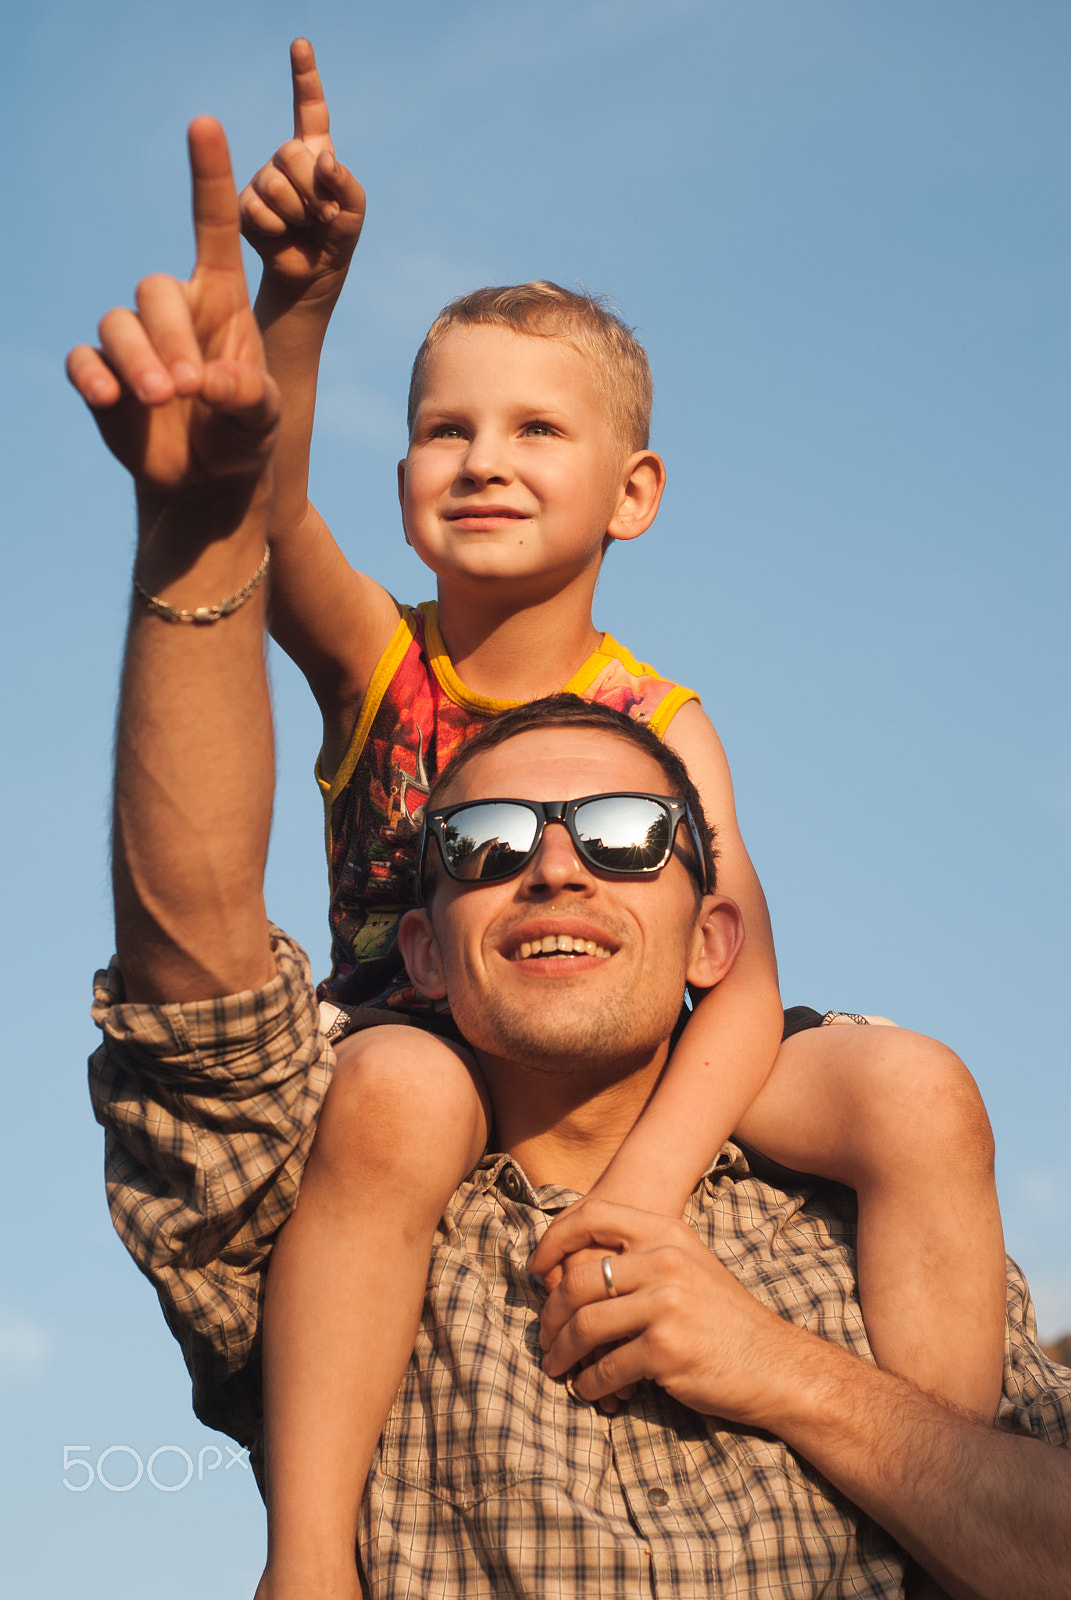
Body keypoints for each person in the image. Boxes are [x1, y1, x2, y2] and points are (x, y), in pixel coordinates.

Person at [71, 115, 1071, 1600]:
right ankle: (309, 1559)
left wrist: (644, 1195)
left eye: (539, 431)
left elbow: (742, 982)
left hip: (677, 1058)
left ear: (635, 492)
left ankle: (942, 1481)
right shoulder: (378, 658)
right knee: (400, 1097)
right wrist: (301, 308)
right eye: (444, 430)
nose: (484, 462)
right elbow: (256, 510)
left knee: (916, 1086)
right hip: (405, 1035)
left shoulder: (663, 717)